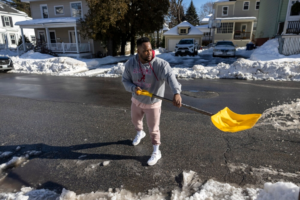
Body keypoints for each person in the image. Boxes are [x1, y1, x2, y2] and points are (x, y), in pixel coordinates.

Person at [122, 37, 182, 166]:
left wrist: (176, 93)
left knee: (154, 129)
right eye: (145, 51)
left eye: (150, 49)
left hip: (153, 103)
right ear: (138, 51)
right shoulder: (130, 64)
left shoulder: (160, 64)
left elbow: (171, 77)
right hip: (136, 100)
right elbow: (125, 80)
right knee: (135, 120)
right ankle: (140, 132)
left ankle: (156, 151)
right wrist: (133, 88)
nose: (149, 53)